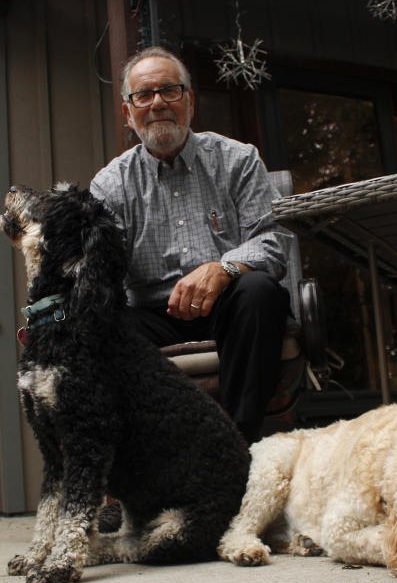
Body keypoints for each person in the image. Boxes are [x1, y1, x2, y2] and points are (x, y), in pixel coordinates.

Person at [90, 46, 292, 443]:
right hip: (153, 314)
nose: (158, 103)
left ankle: (238, 445)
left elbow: (274, 239)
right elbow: (103, 272)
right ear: (127, 113)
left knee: (260, 292)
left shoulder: (238, 160)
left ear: (190, 101)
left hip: (230, 305)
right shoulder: (110, 185)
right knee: (101, 325)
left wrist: (223, 268)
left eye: (170, 90)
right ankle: (151, 459)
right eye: (143, 95)